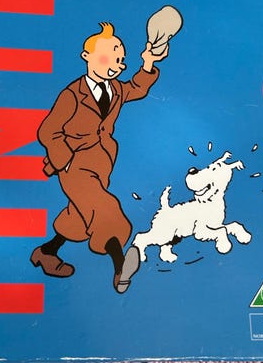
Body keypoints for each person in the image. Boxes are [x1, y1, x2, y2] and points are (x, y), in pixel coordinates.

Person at [31, 21, 168, 293]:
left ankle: (46, 252)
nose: (117, 65)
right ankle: (120, 267)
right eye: (110, 58)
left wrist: (148, 62)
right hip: (74, 166)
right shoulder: (73, 95)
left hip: (101, 163)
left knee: (81, 215)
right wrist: (64, 160)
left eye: (120, 60)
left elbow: (137, 88)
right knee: (104, 209)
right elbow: (48, 130)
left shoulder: (115, 90)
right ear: (87, 56)